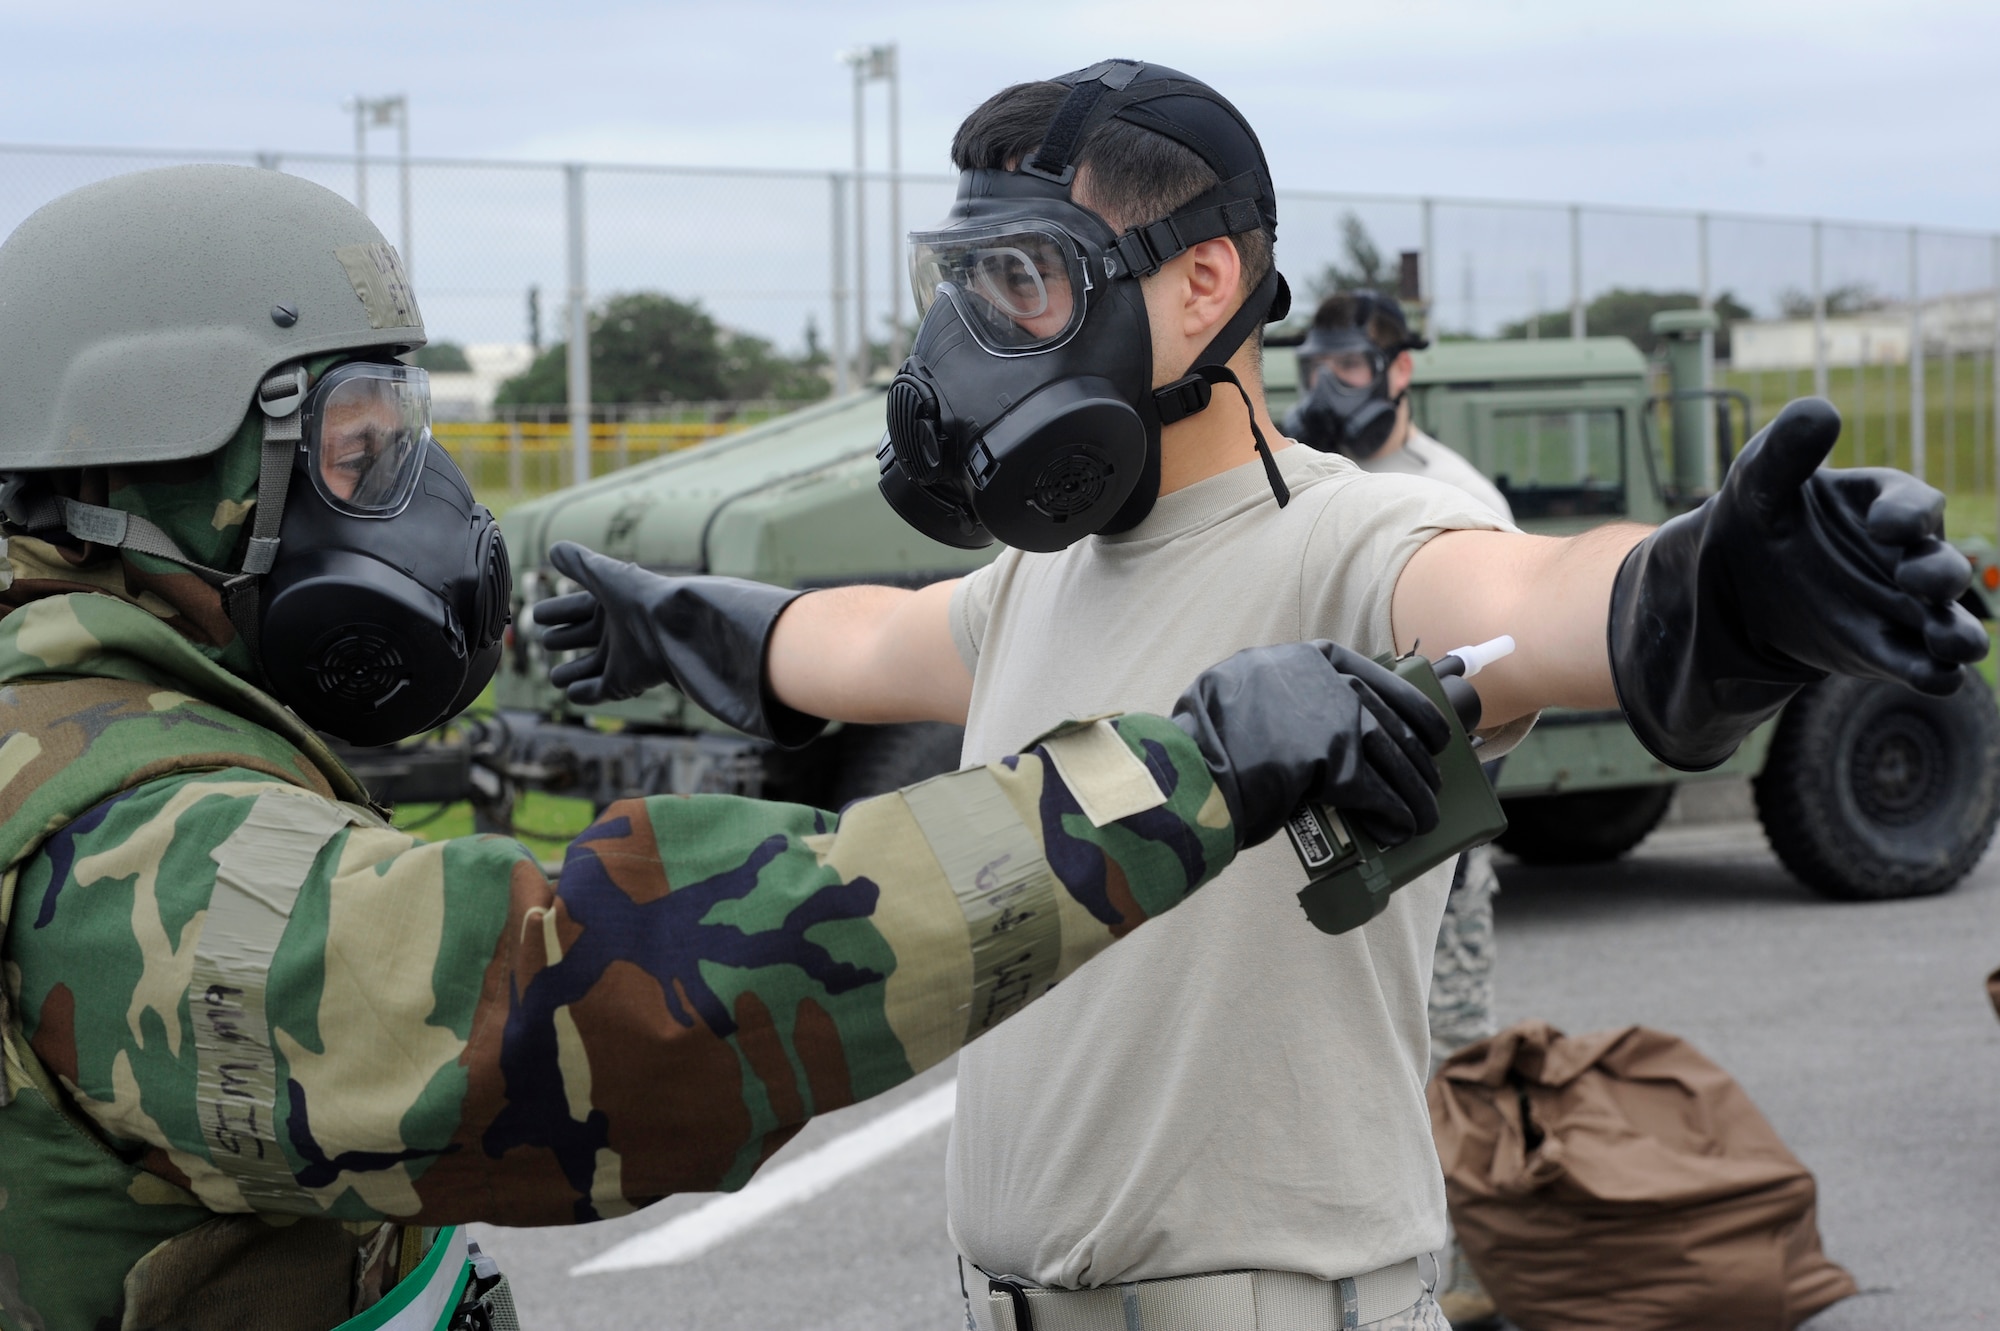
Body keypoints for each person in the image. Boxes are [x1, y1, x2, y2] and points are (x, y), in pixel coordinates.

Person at [533, 60, 1984, 1331]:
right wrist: (673, 615)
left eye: (1024, 281)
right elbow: (861, 639)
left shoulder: (1352, 541)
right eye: (963, 286)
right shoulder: (1039, 580)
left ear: (1204, 282)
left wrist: (1718, 587)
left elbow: (1544, 597)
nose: (972, 338)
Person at [0, 165, 1471, 1331]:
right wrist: (1180, 774)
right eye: (357, 448)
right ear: (155, 461)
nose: (411, 500)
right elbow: (600, 1000)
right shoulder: (106, 839)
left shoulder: (87, 716)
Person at [1286, 288, 1511, 1326]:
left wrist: (1450, 846)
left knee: (1451, 1058)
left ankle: (1468, 1280)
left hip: (1430, 835)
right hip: (1317, 828)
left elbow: (1498, 690)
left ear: (1398, 371)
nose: (1326, 388)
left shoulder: (1451, 502)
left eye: (1346, 367)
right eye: (1313, 368)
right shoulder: (1302, 479)